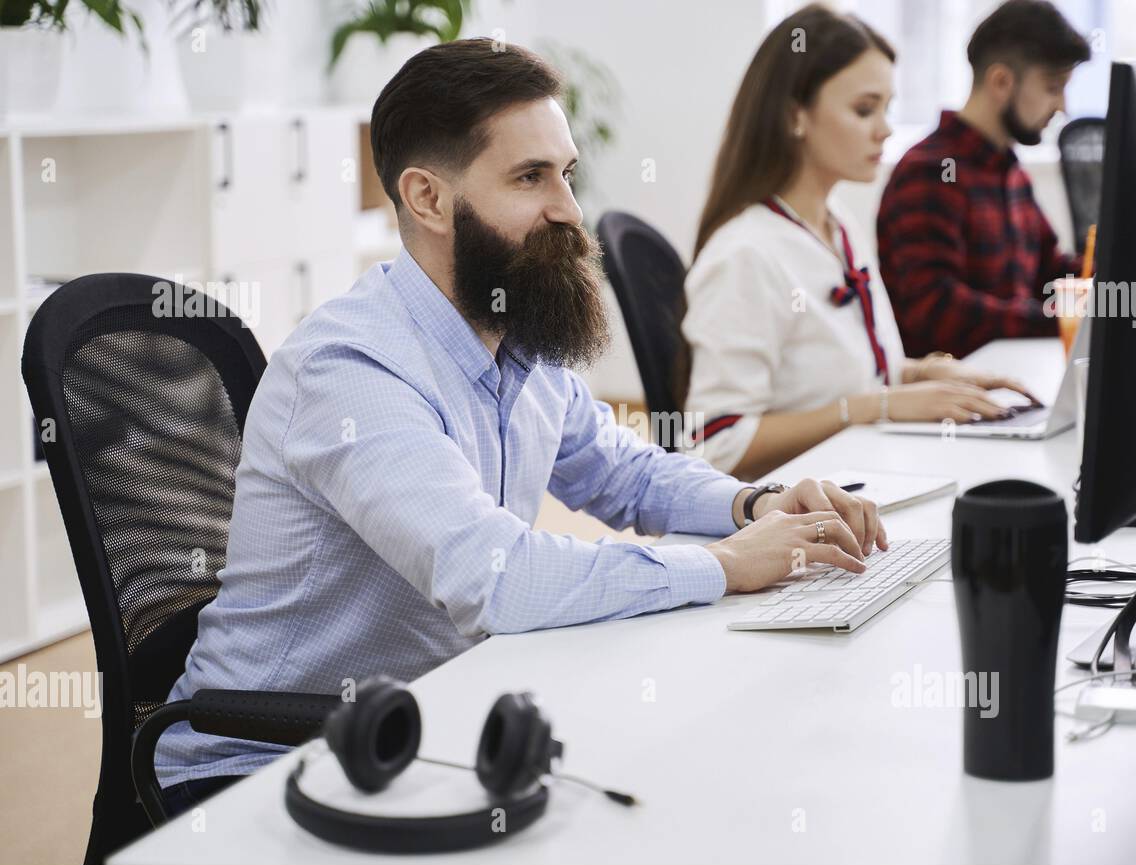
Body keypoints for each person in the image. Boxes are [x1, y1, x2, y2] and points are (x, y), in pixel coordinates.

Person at [153, 38, 884, 808]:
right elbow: (494, 579)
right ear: (429, 198)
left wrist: (756, 506)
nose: (569, 210)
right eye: (530, 178)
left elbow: (624, 472)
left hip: (428, 723)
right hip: (265, 765)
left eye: (565, 174)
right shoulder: (350, 369)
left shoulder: (515, 336)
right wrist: (729, 566)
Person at [683, 3, 1032, 481]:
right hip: (795, 518)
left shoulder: (838, 227)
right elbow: (717, 444)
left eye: (887, 108)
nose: (885, 128)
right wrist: (876, 405)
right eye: (864, 109)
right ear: (795, 116)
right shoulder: (746, 255)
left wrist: (926, 375)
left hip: (861, 477)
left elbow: (842, 377)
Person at [877, 0, 1091, 359]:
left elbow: (1050, 272)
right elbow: (937, 310)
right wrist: (1060, 318)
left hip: (1012, 374)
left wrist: (1127, 290)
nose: (1062, 107)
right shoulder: (929, 173)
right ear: (1001, 81)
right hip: (952, 394)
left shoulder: (1010, 171)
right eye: (1053, 87)